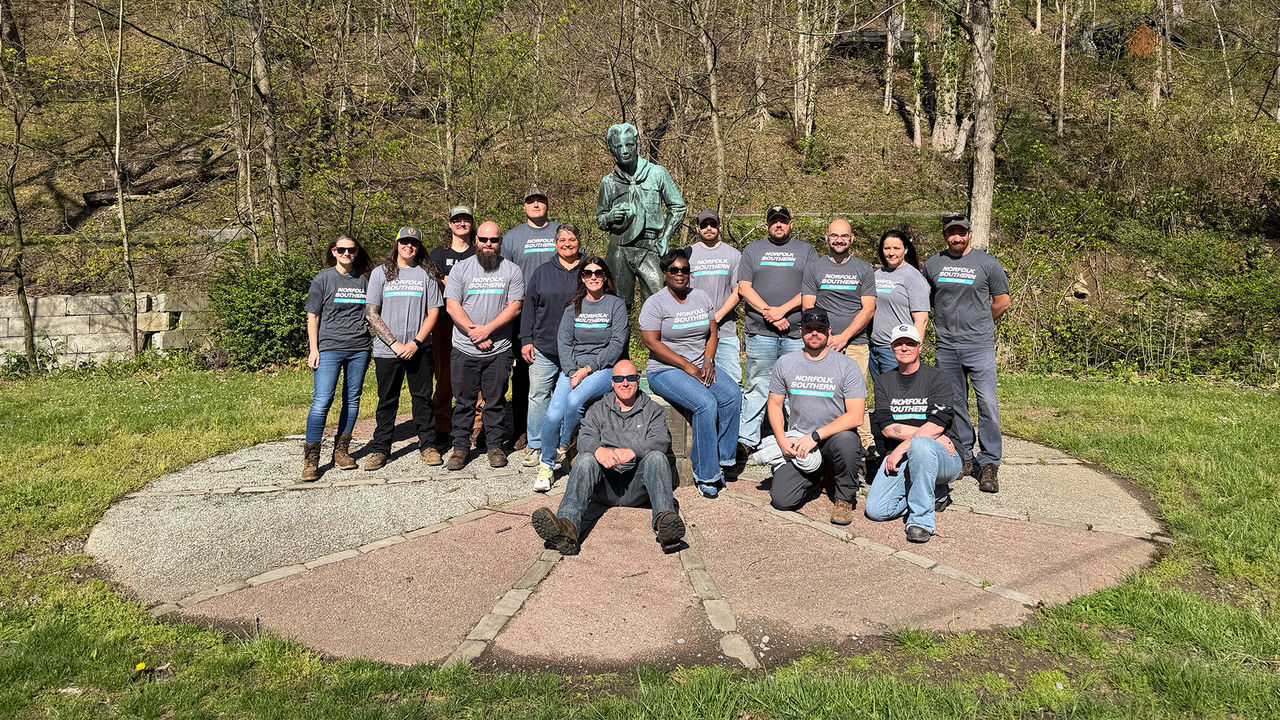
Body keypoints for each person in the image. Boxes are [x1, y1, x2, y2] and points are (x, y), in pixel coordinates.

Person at [529, 360, 684, 556]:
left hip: (638, 487)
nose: (625, 383)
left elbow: (661, 440)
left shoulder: (653, 410)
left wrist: (633, 451)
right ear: (612, 382)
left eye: (630, 378)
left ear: (638, 380)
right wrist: (599, 451)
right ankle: (567, 528)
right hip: (604, 486)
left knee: (657, 458)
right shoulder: (598, 408)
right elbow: (584, 437)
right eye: (619, 379)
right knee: (585, 459)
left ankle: (665, 525)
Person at [640, 249, 741, 498]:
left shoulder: (701, 297)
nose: (680, 274)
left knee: (731, 395)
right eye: (674, 270)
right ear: (665, 273)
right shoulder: (655, 303)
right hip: (665, 370)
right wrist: (687, 366)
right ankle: (706, 473)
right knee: (705, 404)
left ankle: (722, 459)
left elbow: (713, 333)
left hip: (700, 364)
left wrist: (708, 360)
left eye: (684, 270)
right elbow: (652, 342)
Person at [924, 215, 1011, 492]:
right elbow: (928, 300)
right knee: (955, 403)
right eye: (951, 233)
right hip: (947, 347)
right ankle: (964, 454)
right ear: (945, 235)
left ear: (969, 233)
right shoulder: (933, 264)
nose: (956, 237)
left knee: (987, 402)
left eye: (961, 232)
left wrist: (980, 322)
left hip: (979, 346)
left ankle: (989, 462)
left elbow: (1002, 302)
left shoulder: (987, 263)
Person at [764, 309, 867, 525]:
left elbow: (856, 416)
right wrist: (782, 440)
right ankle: (817, 476)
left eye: (820, 329)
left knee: (848, 442)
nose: (814, 333)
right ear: (801, 331)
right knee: (781, 500)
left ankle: (844, 498)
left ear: (829, 331)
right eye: (809, 329)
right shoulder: (785, 362)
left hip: (833, 438)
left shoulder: (847, 365)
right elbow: (774, 404)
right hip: (799, 440)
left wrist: (815, 436)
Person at [534, 257, 629, 491]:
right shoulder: (573, 307)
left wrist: (587, 369)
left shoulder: (616, 305)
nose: (593, 277)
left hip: (603, 369)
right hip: (573, 369)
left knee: (575, 400)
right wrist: (571, 371)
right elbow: (564, 342)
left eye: (598, 273)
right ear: (582, 278)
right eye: (587, 273)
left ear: (605, 277)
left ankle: (564, 444)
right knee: (553, 415)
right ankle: (546, 466)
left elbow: (617, 344)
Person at [864, 324, 964, 543]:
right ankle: (934, 494)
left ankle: (921, 521)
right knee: (876, 510)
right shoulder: (883, 382)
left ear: (919, 346)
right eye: (899, 343)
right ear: (891, 347)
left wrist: (903, 447)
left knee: (921, 445)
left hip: (944, 456)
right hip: (908, 457)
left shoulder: (938, 378)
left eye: (910, 343)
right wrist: (927, 433)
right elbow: (887, 427)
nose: (904, 348)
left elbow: (937, 425)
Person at [362, 226, 444, 470]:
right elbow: (371, 313)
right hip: (388, 351)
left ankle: (427, 445)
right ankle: (381, 448)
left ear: (419, 247)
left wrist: (415, 342)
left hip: (419, 348)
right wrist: (395, 344)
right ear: (397, 244)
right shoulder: (380, 273)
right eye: (404, 242)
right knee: (387, 400)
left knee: (422, 399)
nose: (409, 246)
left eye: (414, 243)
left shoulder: (427, 274)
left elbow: (434, 312)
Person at [737, 205, 818, 453]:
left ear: (791, 224)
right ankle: (747, 440)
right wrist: (770, 314)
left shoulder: (807, 250)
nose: (778, 225)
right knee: (757, 385)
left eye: (783, 221)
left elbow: (811, 288)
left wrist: (782, 310)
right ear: (767, 226)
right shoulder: (752, 250)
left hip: (796, 333)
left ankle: (797, 437)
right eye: (774, 221)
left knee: (797, 387)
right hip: (760, 332)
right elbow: (744, 288)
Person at [445, 220, 525, 469]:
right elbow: (452, 306)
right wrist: (474, 332)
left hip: (499, 349)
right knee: (463, 402)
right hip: (464, 348)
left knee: (495, 401)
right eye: (483, 239)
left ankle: (494, 446)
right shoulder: (461, 269)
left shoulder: (512, 270)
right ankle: (460, 448)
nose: (488, 244)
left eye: (494, 240)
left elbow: (515, 306)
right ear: (475, 240)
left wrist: (487, 330)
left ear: (500, 242)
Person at [301, 234, 373, 481]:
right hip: (329, 348)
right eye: (341, 250)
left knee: (352, 399)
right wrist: (314, 349)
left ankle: (341, 451)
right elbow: (313, 316)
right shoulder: (323, 279)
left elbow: (372, 310)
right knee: (322, 401)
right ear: (333, 251)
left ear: (356, 252)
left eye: (351, 250)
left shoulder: (364, 279)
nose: (346, 254)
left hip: (359, 348)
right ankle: (311, 459)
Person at [801, 218, 877, 448]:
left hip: (856, 343)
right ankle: (821, 440)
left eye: (844, 236)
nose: (839, 240)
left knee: (856, 394)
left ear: (851, 239)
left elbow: (869, 308)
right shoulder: (814, 267)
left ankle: (866, 445)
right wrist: (825, 338)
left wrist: (844, 337)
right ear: (826, 237)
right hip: (822, 343)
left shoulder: (864, 268)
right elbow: (808, 306)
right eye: (834, 235)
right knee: (823, 392)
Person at [596, 122, 687, 310]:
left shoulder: (657, 173)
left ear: (636, 144)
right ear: (612, 149)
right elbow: (600, 219)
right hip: (619, 248)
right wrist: (610, 216)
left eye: (629, 144)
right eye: (619, 146)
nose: (625, 151)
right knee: (617, 305)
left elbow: (678, 207)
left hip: (649, 246)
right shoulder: (608, 182)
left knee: (659, 300)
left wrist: (666, 237)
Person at [518, 224, 583, 469]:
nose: (567, 244)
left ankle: (566, 445)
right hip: (544, 347)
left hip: (577, 349)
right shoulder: (542, 271)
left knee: (571, 400)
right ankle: (536, 445)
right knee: (538, 397)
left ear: (579, 242)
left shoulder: (589, 270)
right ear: (555, 244)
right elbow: (529, 307)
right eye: (562, 240)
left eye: (572, 239)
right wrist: (526, 339)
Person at [502, 187, 562, 452]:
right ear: (524, 206)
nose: (536, 204)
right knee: (523, 373)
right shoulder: (512, 237)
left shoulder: (561, 232)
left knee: (560, 372)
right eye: (531, 201)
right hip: (523, 313)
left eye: (540, 200)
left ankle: (559, 429)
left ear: (547, 204)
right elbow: (503, 274)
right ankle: (522, 429)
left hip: (558, 313)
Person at [428, 206, 477, 436]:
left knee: (475, 372)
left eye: (466, 220)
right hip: (444, 321)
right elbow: (433, 285)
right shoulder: (437, 254)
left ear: (471, 224)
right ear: (450, 224)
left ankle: (477, 424)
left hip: (474, 319)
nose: (461, 223)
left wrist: (451, 282)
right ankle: (442, 423)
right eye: (457, 220)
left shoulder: (478, 251)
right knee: (444, 373)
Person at [685, 208, 742, 384]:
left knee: (733, 382)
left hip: (725, 331)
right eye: (704, 225)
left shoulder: (734, 254)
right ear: (697, 228)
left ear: (719, 227)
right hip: (694, 333)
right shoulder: (686, 254)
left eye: (713, 224)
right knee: (695, 382)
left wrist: (716, 317)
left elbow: (738, 291)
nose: (709, 228)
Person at [869, 229, 930, 378]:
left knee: (898, 391)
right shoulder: (876, 275)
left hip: (897, 350)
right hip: (874, 348)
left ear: (906, 249)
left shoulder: (913, 277)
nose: (891, 253)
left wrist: (913, 350)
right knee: (880, 391)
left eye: (896, 248)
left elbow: (921, 319)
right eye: (887, 248)